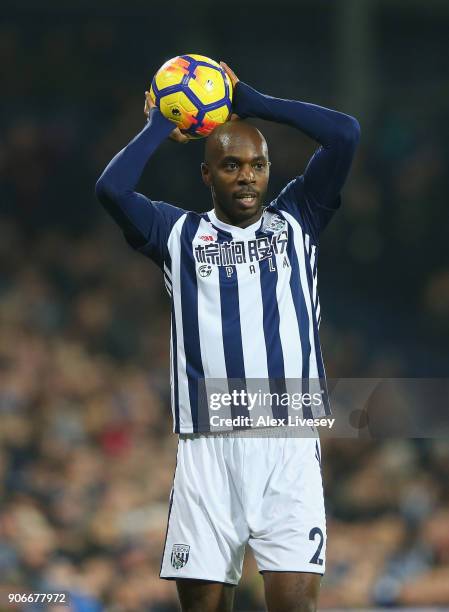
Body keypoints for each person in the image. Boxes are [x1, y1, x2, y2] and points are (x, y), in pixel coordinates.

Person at [96, 60, 360, 612]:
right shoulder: (177, 232)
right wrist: (157, 125)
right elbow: (112, 189)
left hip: (289, 447)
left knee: (294, 607)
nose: (247, 175)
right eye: (232, 165)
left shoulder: (299, 219)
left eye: (258, 165)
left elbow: (344, 134)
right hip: (207, 450)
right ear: (207, 174)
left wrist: (251, 99)